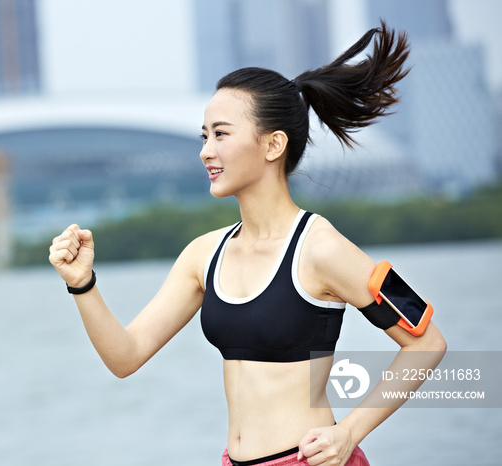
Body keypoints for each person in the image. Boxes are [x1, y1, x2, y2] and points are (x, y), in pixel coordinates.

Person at [49, 21, 447, 466]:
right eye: (204, 136)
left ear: (273, 144)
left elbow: (427, 343)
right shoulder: (203, 255)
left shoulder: (320, 247)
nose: (205, 151)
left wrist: (349, 432)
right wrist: (82, 284)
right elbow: (125, 357)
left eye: (221, 134)